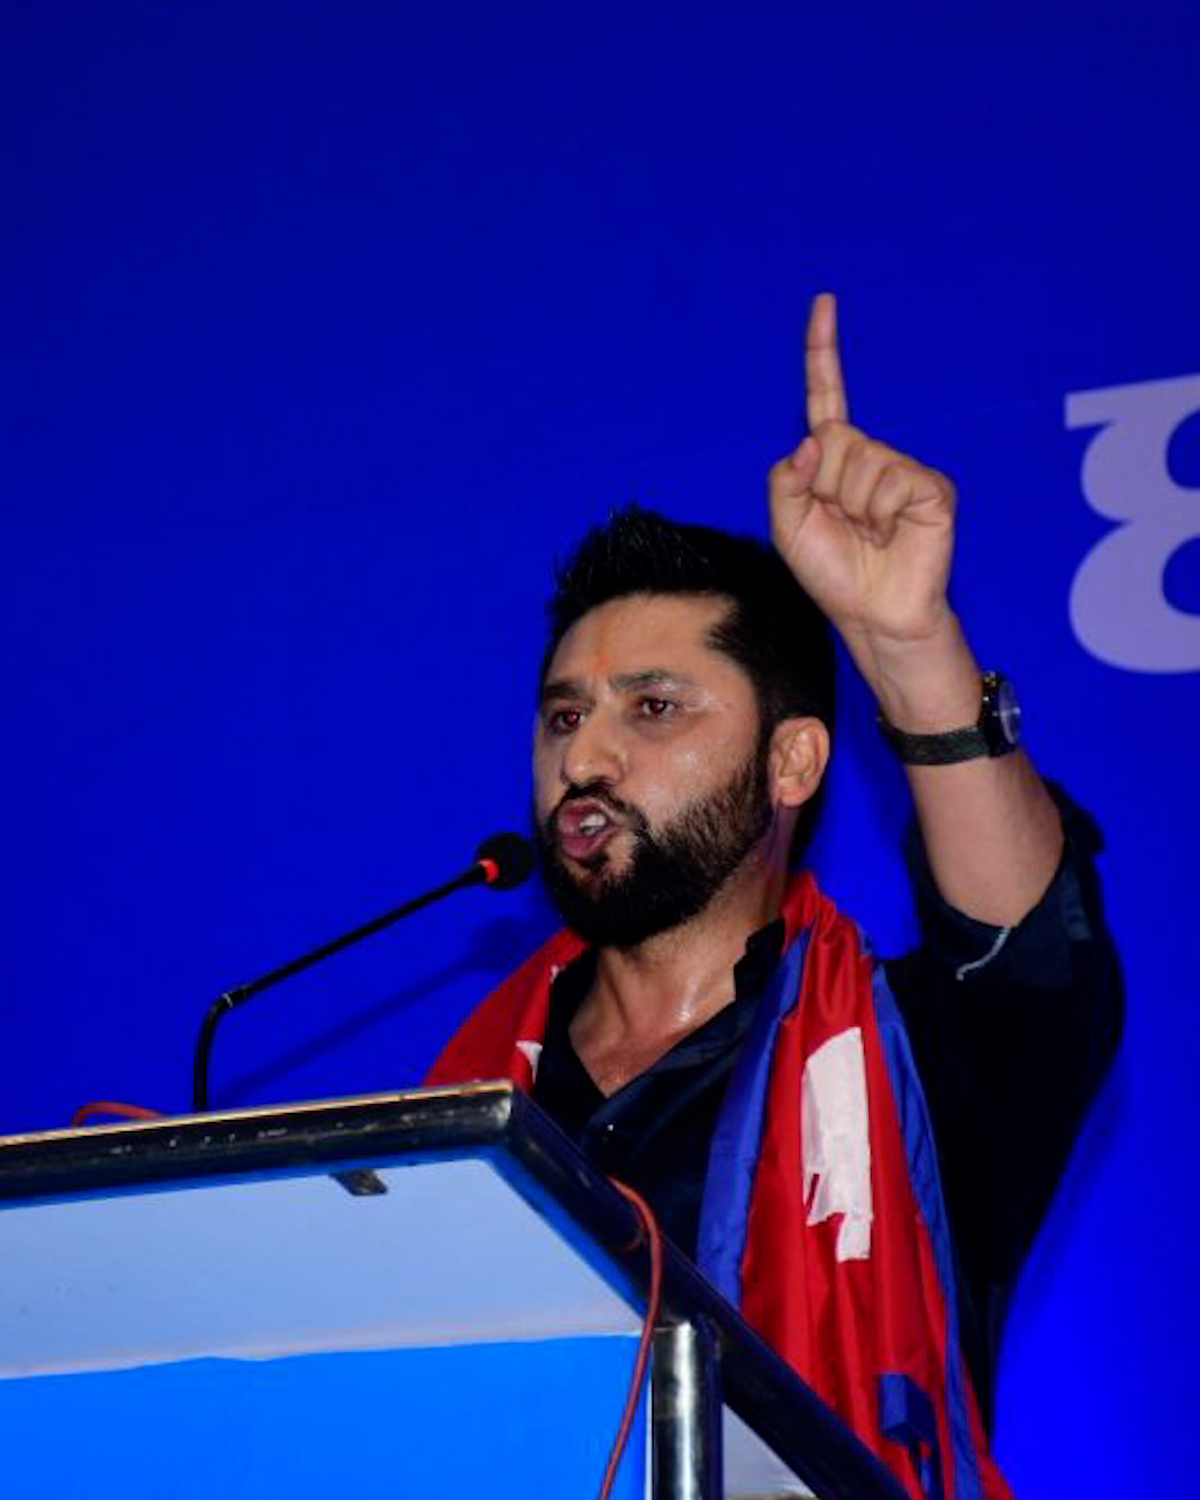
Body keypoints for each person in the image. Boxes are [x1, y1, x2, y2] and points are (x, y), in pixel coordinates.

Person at [427, 294, 1121, 1499]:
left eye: (654, 708)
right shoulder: (472, 1095)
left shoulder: (914, 1060)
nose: (586, 758)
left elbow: (1028, 948)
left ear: (791, 764)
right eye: (563, 717)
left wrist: (909, 645)